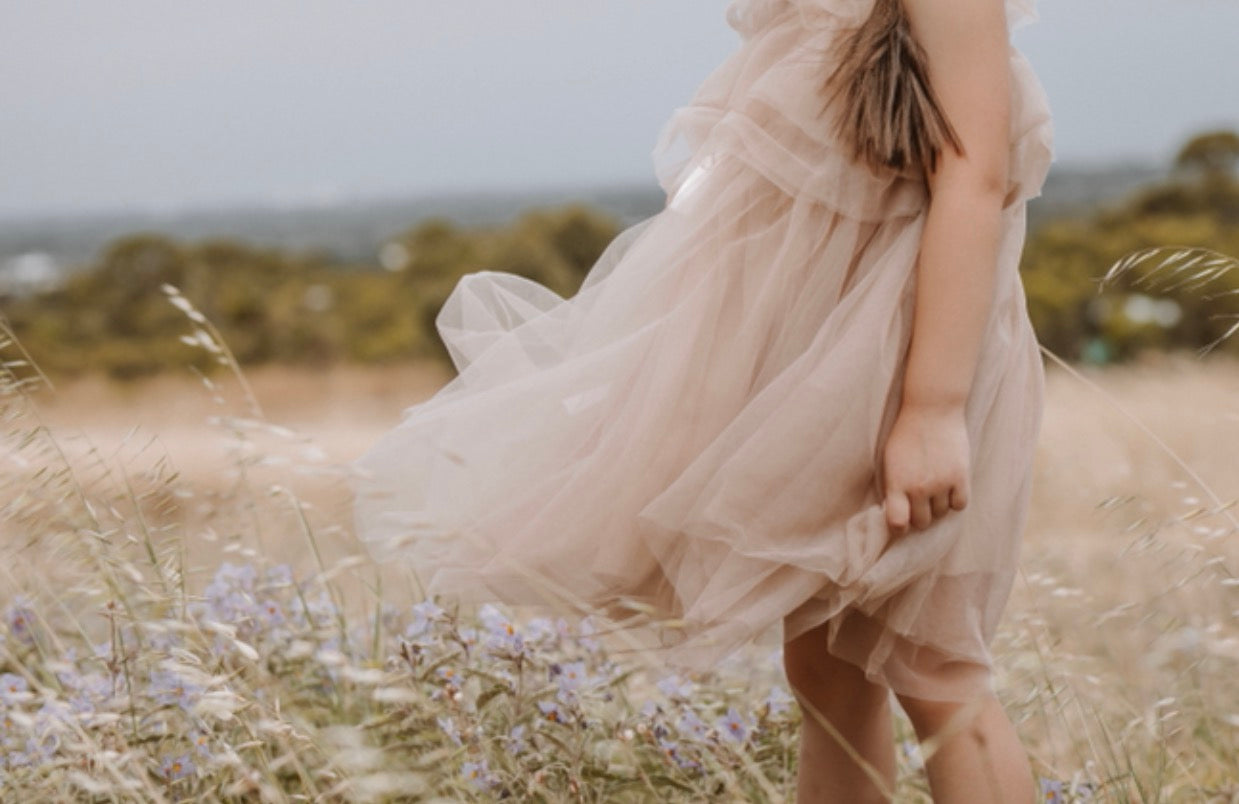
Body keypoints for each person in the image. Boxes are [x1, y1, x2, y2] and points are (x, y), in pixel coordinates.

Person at [351, 0, 1053, 800]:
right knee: (824, 667)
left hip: (911, 356)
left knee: (935, 669)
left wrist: (931, 409)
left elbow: (975, 174)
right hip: (811, 366)